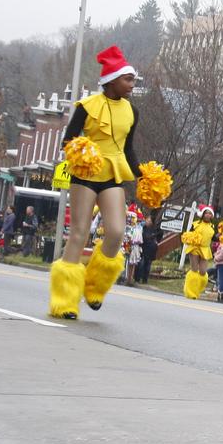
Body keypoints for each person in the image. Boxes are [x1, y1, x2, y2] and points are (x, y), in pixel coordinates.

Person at [48, 46, 142, 319]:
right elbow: (68, 140)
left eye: (133, 80)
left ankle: (94, 285)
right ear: (112, 80)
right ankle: (64, 300)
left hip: (113, 174)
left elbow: (129, 149)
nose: (132, 85)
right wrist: (82, 152)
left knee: (115, 231)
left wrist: (142, 174)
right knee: (78, 233)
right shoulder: (87, 107)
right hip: (85, 175)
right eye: (128, 80)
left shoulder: (132, 111)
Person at [182, 206, 216, 299]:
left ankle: (197, 289)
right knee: (194, 269)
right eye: (206, 213)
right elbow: (188, 234)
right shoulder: (195, 224)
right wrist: (191, 238)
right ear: (203, 214)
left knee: (203, 271)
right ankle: (190, 292)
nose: (208, 215)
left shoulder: (212, 226)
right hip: (195, 248)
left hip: (205, 249)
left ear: (211, 215)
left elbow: (214, 238)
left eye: (210, 213)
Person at [134, 216, 159, 284]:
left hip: (150, 251)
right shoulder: (142, 228)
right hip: (143, 249)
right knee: (140, 264)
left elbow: (158, 236)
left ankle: (145, 280)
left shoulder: (154, 229)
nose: (148, 222)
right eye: (148, 220)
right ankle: (137, 279)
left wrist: (155, 243)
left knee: (147, 266)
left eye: (150, 221)